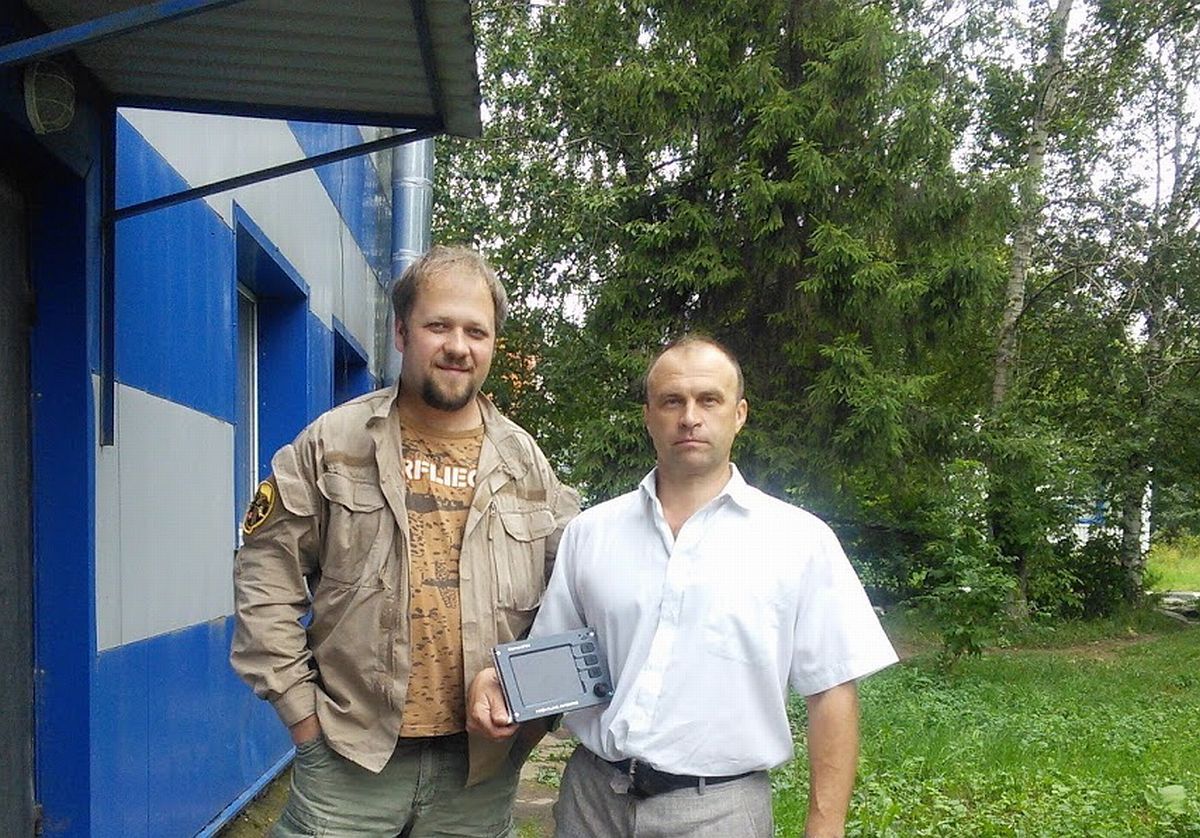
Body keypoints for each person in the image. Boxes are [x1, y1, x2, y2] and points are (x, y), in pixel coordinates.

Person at [467, 334, 897, 838]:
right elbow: (557, 663)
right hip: (592, 802)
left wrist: (825, 828)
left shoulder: (799, 542)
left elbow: (832, 692)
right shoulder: (592, 533)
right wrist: (499, 686)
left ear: (739, 414)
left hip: (720, 813)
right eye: (672, 401)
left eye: (709, 400)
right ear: (649, 417)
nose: (690, 417)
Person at [231, 245, 580, 837]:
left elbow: (575, 600)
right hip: (349, 761)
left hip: (479, 773)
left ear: (493, 344)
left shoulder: (526, 465)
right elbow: (265, 580)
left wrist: (531, 722)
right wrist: (303, 720)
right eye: (438, 326)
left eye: (476, 331)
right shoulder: (334, 443)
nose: (458, 346)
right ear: (401, 332)